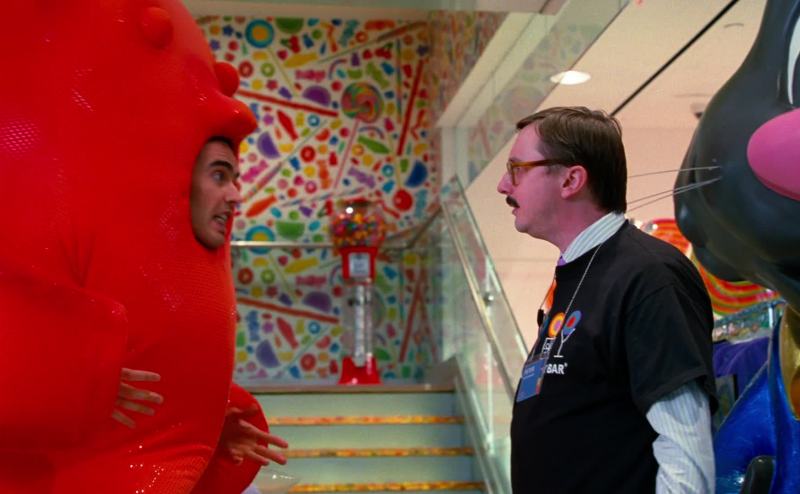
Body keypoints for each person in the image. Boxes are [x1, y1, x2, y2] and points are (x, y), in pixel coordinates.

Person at [497, 106, 717, 493]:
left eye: (517, 169)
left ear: (571, 180)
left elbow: (684, 446)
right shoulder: (579, 273)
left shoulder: (649, 275)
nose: (503, 185)